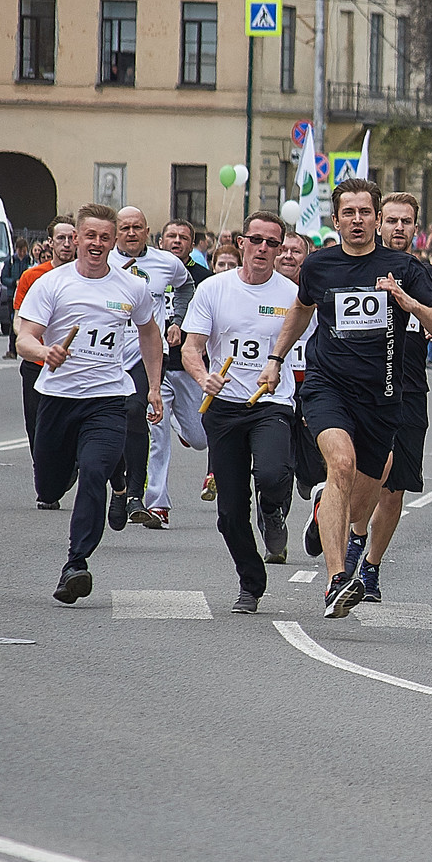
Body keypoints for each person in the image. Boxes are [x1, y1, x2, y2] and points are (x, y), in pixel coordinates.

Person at [257, 179, 432, 617]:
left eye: (366, 212)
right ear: (337, 219)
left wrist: (408, 303)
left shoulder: (403, 267)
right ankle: (337, 581)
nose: (358, 220)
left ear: (378, 219)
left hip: (383, 398)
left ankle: (330, 514)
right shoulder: (319, 266)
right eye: (350, 213)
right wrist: (275, 358)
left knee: (365, 492)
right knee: (340, 464)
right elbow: (302, 308)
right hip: (328, 388)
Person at [15, 204, 165, 603]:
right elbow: (24, 338)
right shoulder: (52, 284)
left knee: (93, 471)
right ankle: (104, 472)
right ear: (76, 239)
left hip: (107, 400)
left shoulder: (131, 287)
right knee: (49, 486)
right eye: (90, 236)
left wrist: (153, 386)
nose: (97, 243)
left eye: (105, 237)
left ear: (113, 241)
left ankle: (75, 564)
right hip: (58, 398)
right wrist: (44, 352)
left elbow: (150, 334)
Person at [180, 210, 298, 613]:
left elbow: (309, 348)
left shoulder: (292, 295)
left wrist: (281, 366)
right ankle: (251, 582)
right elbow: (192, 348)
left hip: (271, 403)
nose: (263, 248)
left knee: (271, 473)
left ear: (280, 249)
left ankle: (273, 510)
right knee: (229, 512)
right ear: (241, 243)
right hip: (224, 407)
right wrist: (203, 378)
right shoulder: (213, 289)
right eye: (257, 240)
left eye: (272, 243)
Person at [344, 192, 432, 602]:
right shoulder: (357, 268)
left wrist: (423, 317)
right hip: (363, 389)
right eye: (391, 220)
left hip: (409, 390)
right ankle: (354, 534)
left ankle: (370, 567)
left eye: (406, 222)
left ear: (417, 229)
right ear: (378, 223)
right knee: (362, 471)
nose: (398, 228)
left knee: (395, 488)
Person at [106, 207, 192, 531]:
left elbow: (186, 286)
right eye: (125, 228)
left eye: (137, 228)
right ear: (116, 232)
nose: (131, 233)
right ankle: (119, 485)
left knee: (135, 411)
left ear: (147, 231)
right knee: (108, 423)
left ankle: (134, 495)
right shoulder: (105, 263)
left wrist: (179, 321)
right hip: (107, 355)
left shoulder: (166, 262)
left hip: (147, 353)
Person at [144, 218, 211, 526]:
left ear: (192, 245)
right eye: (170, 235)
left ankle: (179, 423)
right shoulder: (147, 270)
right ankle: (157, 503)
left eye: (183, 237)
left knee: (199, 438)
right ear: (160, 241)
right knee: (157, 438)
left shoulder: (203, 279)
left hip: (187, 368)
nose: (176, 241)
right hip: (155, 368)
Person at [14, 219, 78, 474]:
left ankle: (69, 464)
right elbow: (19, 319)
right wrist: (33, 342)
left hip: (72, 364)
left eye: (71, 238)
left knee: (69, 424)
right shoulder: (33, 276)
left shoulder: (88, 276)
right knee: (37, 425)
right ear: (50, 242)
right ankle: (44, 475)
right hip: (37, 363)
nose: (66, 244)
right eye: (60, 238)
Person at [275, 232, 323, 549]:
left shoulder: (318, 292)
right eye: (284, 249)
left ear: (307, 258)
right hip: (274, 386)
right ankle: (275, 523)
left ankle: (319, 504)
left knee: (312, 472)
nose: (289, 255)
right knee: (276, 463)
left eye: (296, 251)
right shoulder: (261, 292)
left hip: (309, 385)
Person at [0, 237, 31, 358]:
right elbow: (3, 278)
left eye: (24, 251)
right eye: (20, 251)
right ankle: (12, 349)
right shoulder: (11, 261)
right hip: (13, 295)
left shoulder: (29, 260)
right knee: (14, 322)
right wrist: (13, 282)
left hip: (26, 296)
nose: (22, 253)